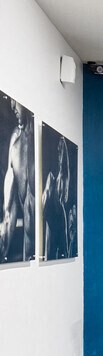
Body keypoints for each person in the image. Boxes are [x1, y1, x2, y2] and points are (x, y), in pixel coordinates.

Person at [0, 99, 35, 262]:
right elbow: (9, 206)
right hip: (27, 253)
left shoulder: (41, 139)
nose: (12, 106)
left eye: (16, 101)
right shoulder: (16, 138)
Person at [42, 135, 71, 260]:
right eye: (58, 151)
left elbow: (64, 199)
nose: (59, 155)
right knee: (51, 250)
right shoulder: (52, 175)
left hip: (59, 217)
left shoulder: (63, 177)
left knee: (63, 248)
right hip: (51, 216)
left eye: (61, 151)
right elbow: (45, 196)